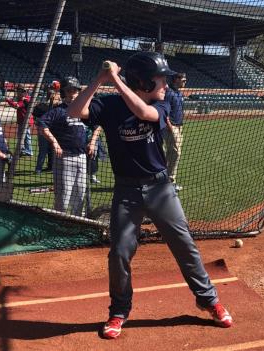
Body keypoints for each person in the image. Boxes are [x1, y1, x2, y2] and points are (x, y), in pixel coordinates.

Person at [67, 52, 233, 339]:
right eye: (161, 79)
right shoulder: (109, 105)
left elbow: (144, 114)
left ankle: (209, 300)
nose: (167, 84)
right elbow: (74, 111)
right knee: (119, 252)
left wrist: (116, 80)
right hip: (126, 189)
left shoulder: (162, 103)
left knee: (184, 245)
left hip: (159, 188)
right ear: (142, 82)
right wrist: (100, 79)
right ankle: (118, 311)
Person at [37, 77, 87, 216]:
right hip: (65, 157)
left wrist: (93, 140)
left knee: (80, 195)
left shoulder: (83, 110)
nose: (73, 93)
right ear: (64, 93)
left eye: (75, 90)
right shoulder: (58, 110)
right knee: (63, 197)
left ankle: (78, 225)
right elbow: (41, 124)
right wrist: (54, 142)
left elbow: (97, 124)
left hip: (82, 157)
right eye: (69, 90)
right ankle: (59, 224)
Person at [163, 72, 186, 191]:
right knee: (175, 154)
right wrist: (170, 127)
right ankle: (170, 182)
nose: (185, 81)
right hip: (171, 128)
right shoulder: (169, 93)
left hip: (179, 127)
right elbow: (164, 111)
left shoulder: (179, 93)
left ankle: (164, 180)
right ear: (176, 79)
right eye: (183, 79)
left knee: (171, 155)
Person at [34, 82, 60, 174]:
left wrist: (53, 99)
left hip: (53, 128)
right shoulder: (43, 100)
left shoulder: (57, 99)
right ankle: (38, 169)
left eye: (52, 89)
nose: (50, 91)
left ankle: (51, 167)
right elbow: (37, 110)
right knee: (43, 149)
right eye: (49, 89)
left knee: (52, 149)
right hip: (44, 128)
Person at [5, 84, 34, 156]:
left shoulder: (25, 99)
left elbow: (16, 106)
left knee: (25, 136)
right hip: (24, 121)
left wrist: (8, 100)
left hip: (26, 121)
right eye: (17, 91)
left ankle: (28, 151)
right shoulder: (23, 98)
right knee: (22, 136)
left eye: (18, 91)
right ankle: (24, 150)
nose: (17, 93)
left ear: (22, 92)